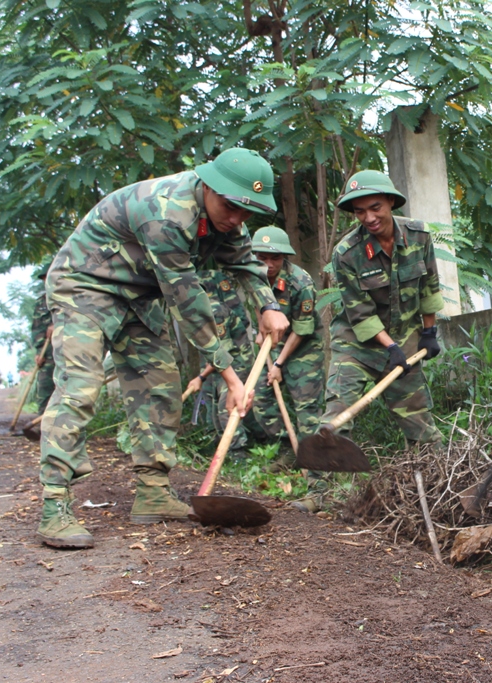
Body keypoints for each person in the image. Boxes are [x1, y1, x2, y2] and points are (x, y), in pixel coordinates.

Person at [38, 148, 290, 550]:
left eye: (247, 213)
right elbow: (188, 302)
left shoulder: (228, 214)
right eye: (231, 208)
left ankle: (153, 492)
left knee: (161, 387)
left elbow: (245, 265)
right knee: (80, 388)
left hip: (139, 295)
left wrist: (268, 305)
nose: (237, 220)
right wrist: (230, 377)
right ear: (208, 186)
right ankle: (54, 505)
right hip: (85, 286)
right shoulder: (167, 214)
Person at [309, 170, 443, 509]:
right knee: (336, 415)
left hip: (406, 340)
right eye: (359, 212)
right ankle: (320, 495)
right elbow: (360, 313)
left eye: (375, 207)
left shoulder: (419, 236)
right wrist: (391, 348)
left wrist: (429, 332)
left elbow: (429, 288)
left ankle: (437, 489)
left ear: (391, 204)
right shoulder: (347, 253)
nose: (368, 217)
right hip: (356, 344)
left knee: (421, 426)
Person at [249, 227, 326, 475]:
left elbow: (302, 329)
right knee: (261, 399)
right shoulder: (253, 277)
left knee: (307, 410)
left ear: (285, 258)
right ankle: (287, 451)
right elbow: (258, 308)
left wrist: (279, 365)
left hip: (303, 348)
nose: (269, 264)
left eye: (275, 258)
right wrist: (262, 335)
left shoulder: (300, 282)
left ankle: (316, 470)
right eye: (262, 258)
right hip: (273, 345)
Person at [182, 268, 260, 460]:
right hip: (214, 364)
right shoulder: (197, 313)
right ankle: (220, 451)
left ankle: (238, 456)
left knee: (227, 408)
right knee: (211, 409)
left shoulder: (214, 311)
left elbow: (223, 353)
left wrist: (200, 377)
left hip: (235, 361)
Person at [29, 262, 56, 417]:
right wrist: (39, 352)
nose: (47, 281)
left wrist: (57, 324)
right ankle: (41, 424)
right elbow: (36, 329)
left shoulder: (69, 298)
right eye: (44, 279)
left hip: (66, 351)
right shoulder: (41, 302)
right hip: (47, 352)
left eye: (49, 277)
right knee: (44, 386)